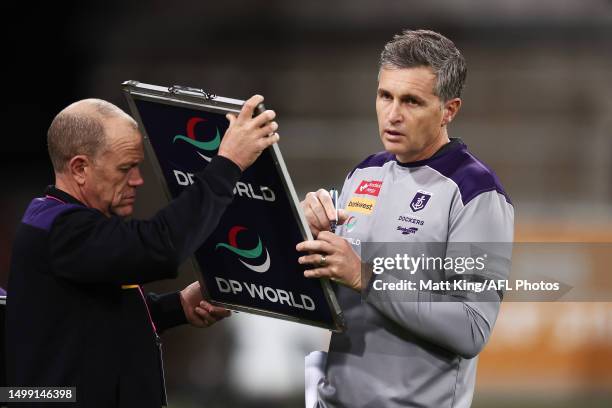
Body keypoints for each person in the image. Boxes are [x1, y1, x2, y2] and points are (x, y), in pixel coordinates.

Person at [6, 95, 279, 407]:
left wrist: (177, 306)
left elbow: (89, 318)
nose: (137, 180)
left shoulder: (65, 225)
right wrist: (228, 163)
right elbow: (160, 248)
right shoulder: (60, 227)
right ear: (80, 168)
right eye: (126, 168)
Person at [297, 29, 514, 407]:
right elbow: (331, 294)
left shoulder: (475, 191)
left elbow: (472, 328)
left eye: (411, 101)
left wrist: (367, 277)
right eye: (385, 96)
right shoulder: (364, 174)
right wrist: (305, 237)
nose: (393, 114)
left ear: (449, 109)